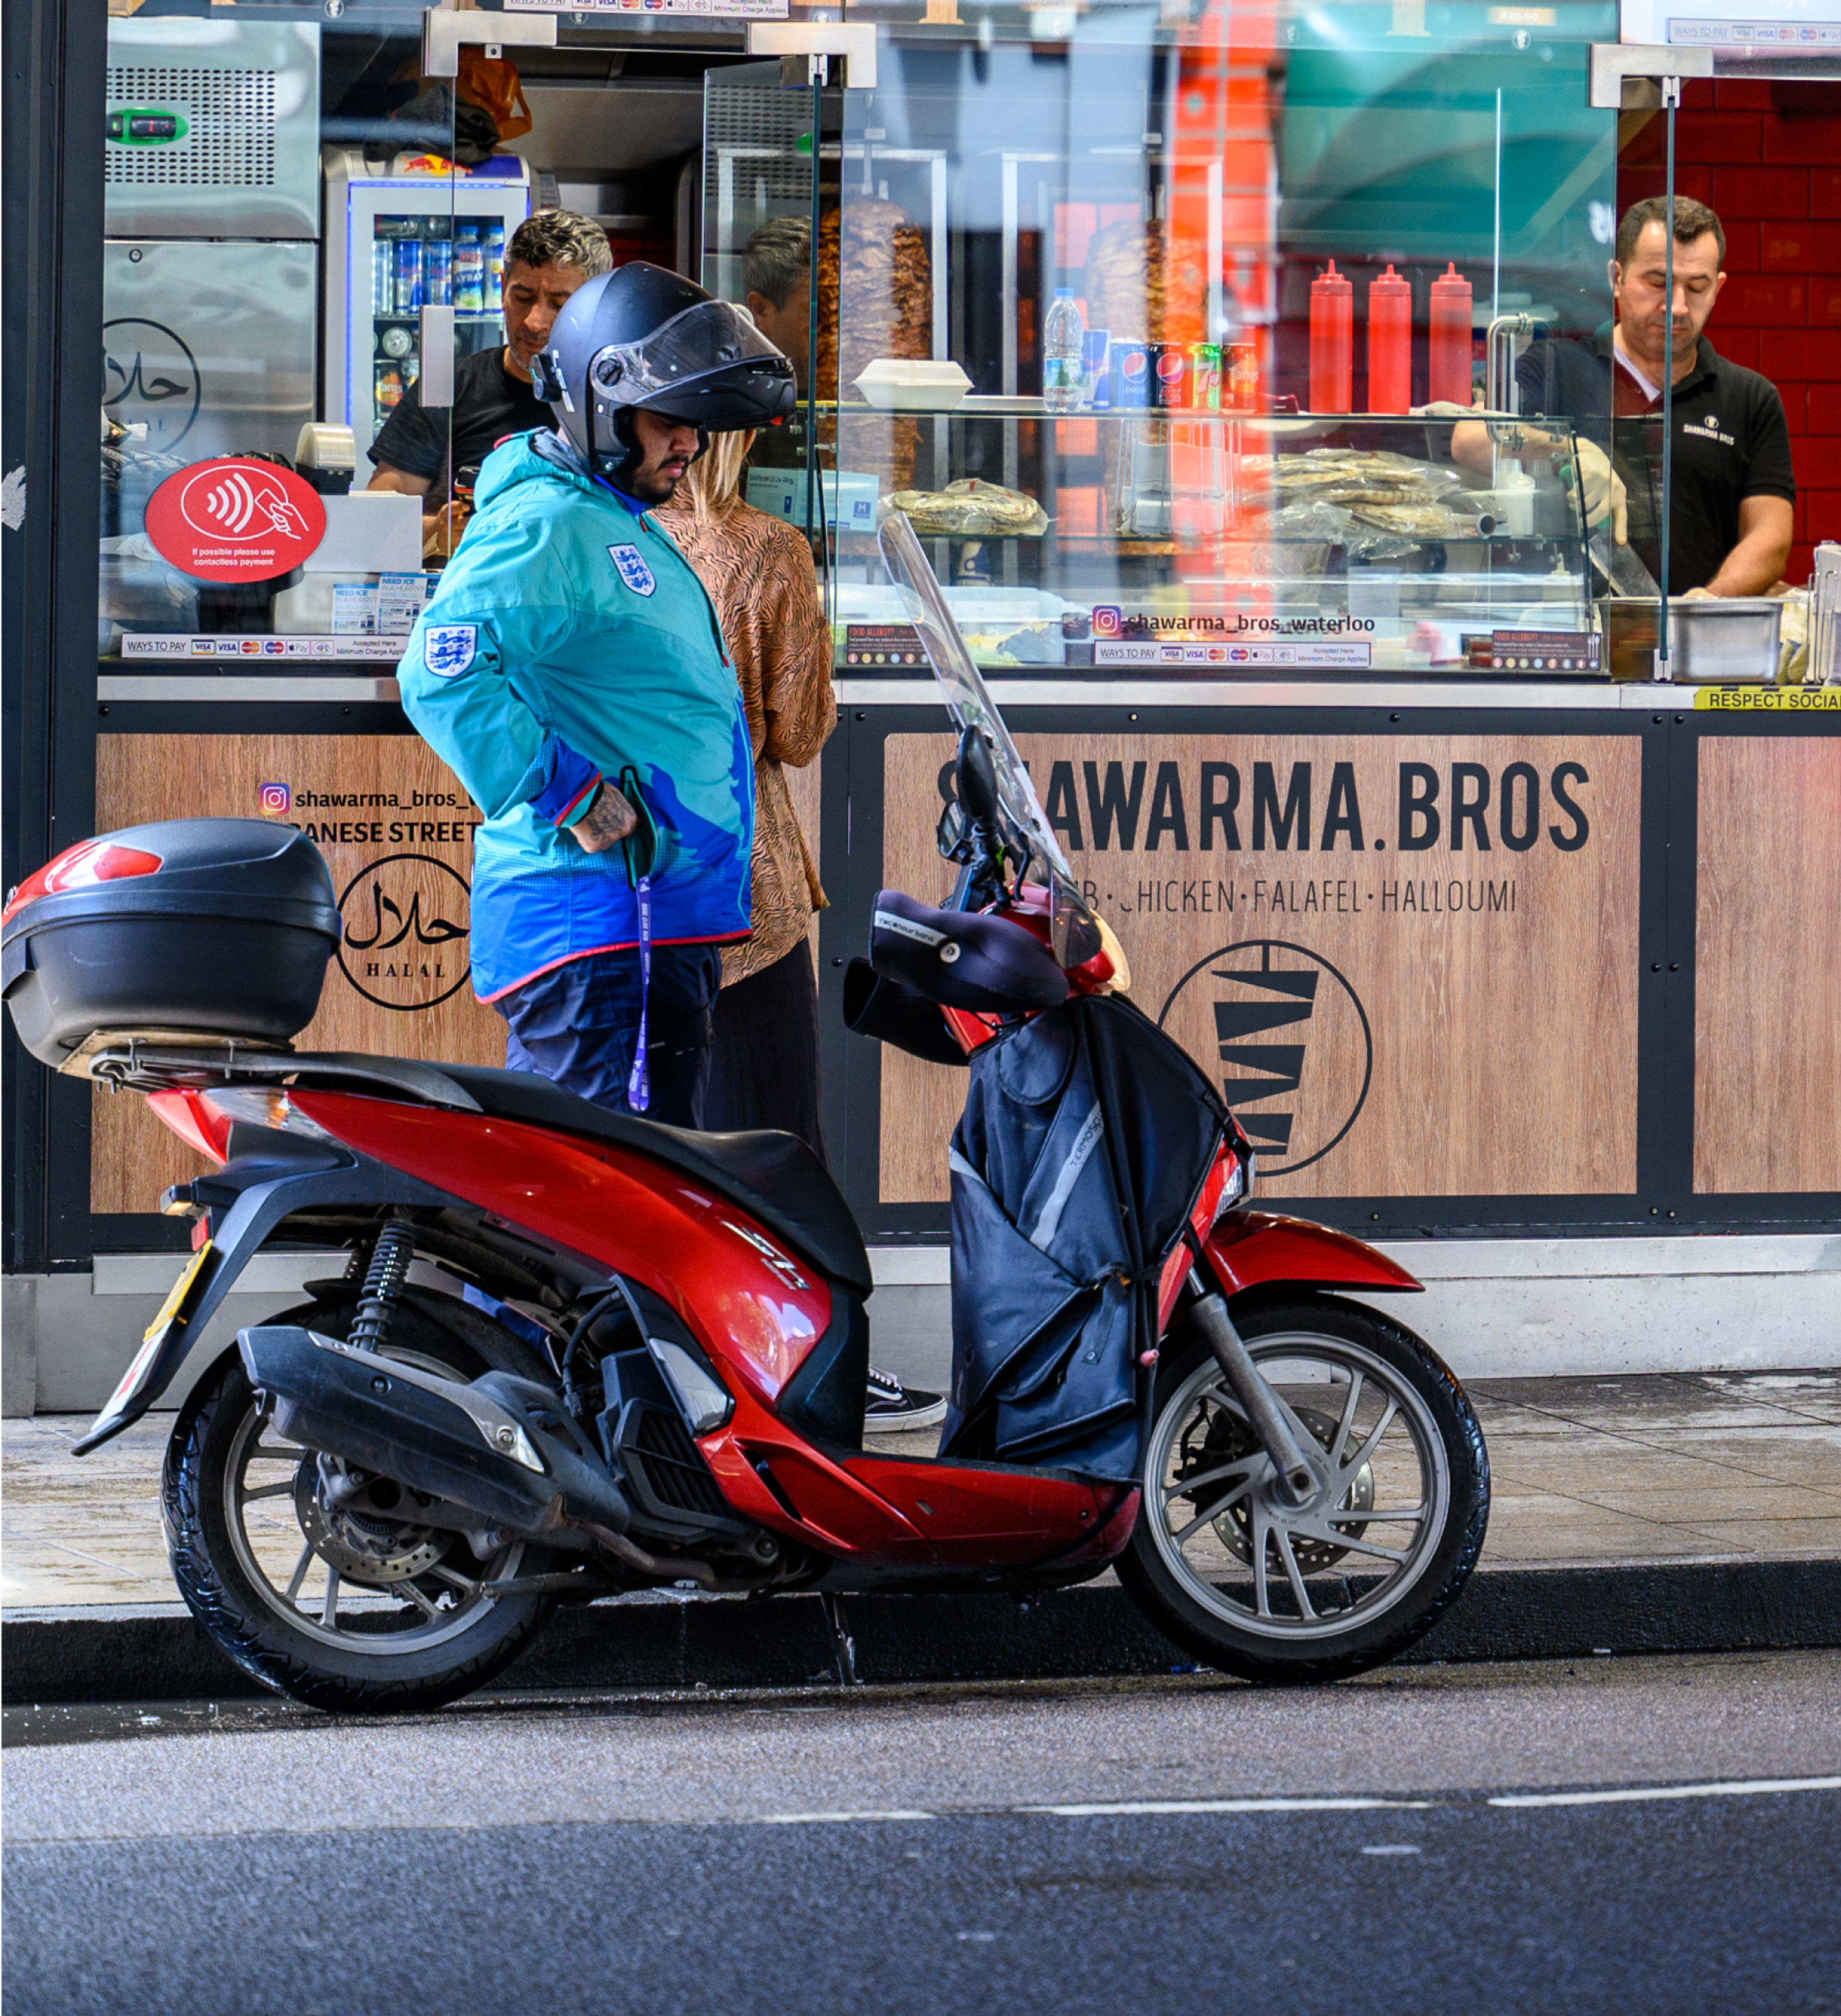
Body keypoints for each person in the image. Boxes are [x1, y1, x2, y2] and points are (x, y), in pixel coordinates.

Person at [397, 262, 795, 1127]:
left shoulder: (610, 517)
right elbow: (441, 667)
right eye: (667, 419)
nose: (688, 442)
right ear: (601, 405)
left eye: (696, 421)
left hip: (639, 929)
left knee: (612, 1208)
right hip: (599, 935)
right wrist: (569, 790)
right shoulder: (553, 523)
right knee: (591, 1216)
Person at [655, 429, 946, 1431]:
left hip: (626, 898)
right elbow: (801, 730)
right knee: (781, 1149)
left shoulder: (605, 538)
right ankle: (818, 1369)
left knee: (660, 1150)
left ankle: (687, 1368)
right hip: (746, 888)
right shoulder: (767, 549)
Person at [1453, 196, 1795, 597]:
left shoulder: (1750, 399)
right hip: (1572, 636)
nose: (1677, 306)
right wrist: (1568, 449)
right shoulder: (1555, 367)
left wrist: (1710, 602)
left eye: (1696, 287)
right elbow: (1470, 438)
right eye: (1657, 283)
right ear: (1617, 278)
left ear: (1718, 288)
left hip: (1694, 644)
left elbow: (1771, 538)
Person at [367, 209, 612, 561]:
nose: (534, 322)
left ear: (594, 307)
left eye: (559, 304)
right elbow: (377, 512)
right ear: (501, 290)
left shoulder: (611, 403)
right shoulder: (450, 387)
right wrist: (433, 533)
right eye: (523, 297)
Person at [738, 217, 812, 473]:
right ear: (761, 309)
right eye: (817, 311)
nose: (837, 329)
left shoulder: (864, 396)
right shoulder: (734, 410)